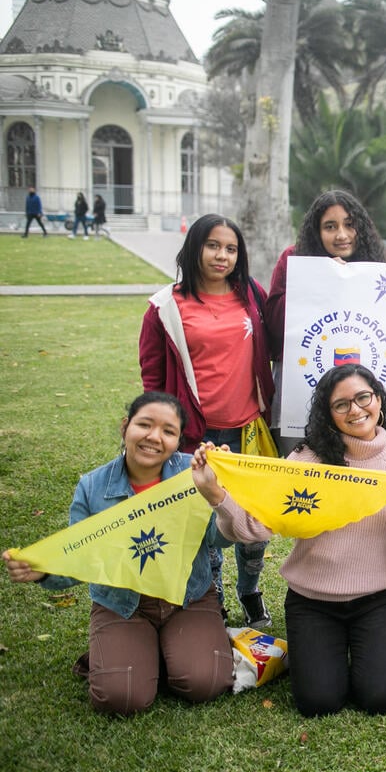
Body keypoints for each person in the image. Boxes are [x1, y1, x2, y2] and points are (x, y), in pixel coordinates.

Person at [191, 364, 386, 717]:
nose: (355, 410)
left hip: (381, 599)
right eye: (341, 404)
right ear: (328, 413)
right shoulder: (306, 460)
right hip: (313, 601)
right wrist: (216, 493)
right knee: (318, 702)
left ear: (379, 399)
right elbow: (255, 526)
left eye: (363, 397)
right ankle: (315, 653)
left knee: (382, 698)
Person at [3, 392, 232, 715]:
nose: (154, 437)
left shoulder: (193, 473)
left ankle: (156, 653)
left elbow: (219, 539)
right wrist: (44, 571)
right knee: (120, 699)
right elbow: (81, 555)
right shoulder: (92, 487)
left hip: (188, 599)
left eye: (168, 431)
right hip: (123, 604)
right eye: (145, 425)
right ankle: (127, 654)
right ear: (126, 427)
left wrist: (217, 494)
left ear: (179, 441)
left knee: (205, 683)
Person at [139, 213, 275, 629]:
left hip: (247, 429)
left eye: (231, 249)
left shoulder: (251, 295)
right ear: (195, 247)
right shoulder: (165, 307)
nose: (222, 256)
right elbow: (152, 376)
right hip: (194, 437)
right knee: (204, 519)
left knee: (254, 520)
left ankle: (250, 590)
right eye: (213, 245)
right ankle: (213, 594)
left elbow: (289, 321)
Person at [264, 190, 386, 455]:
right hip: (298, 395)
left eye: (349, 224)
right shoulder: (293, 259)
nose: (341, 234)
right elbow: (274, 325)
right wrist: (319, 279)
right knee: (300, 470)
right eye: (330, 227)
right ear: (316, 231)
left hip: (357, 399)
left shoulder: (374, 265)